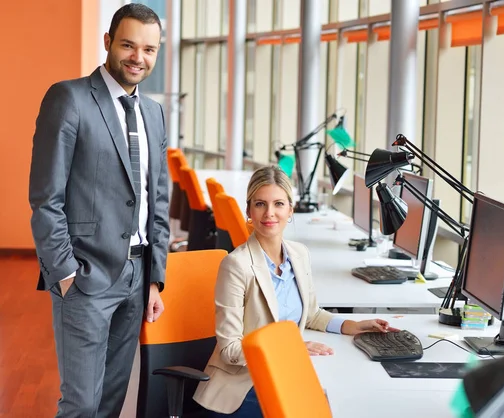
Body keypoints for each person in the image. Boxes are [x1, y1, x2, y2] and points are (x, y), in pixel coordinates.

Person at [28, 4, 170, 417]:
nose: (138, 58)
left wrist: (156, 279)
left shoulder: (154, 113)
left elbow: (157, 199)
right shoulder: (69, 98)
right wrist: (66, 274)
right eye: (128, 45)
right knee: (82, 404)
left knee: (111, 400)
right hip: (86, 275)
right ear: (108, 43)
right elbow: (45, 198)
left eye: (149, 49)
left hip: (138, 275)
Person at [193, 166, 398, 417]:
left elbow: (311, 314)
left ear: (290, 209)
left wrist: (351, 325)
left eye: (278, 204)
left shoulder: (299, 254)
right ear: (249, 210)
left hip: (285, 372)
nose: (270, 213)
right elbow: (230, 351)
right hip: (243, 385)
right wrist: (292, 348)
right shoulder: (237, 265)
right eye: (260, 204)